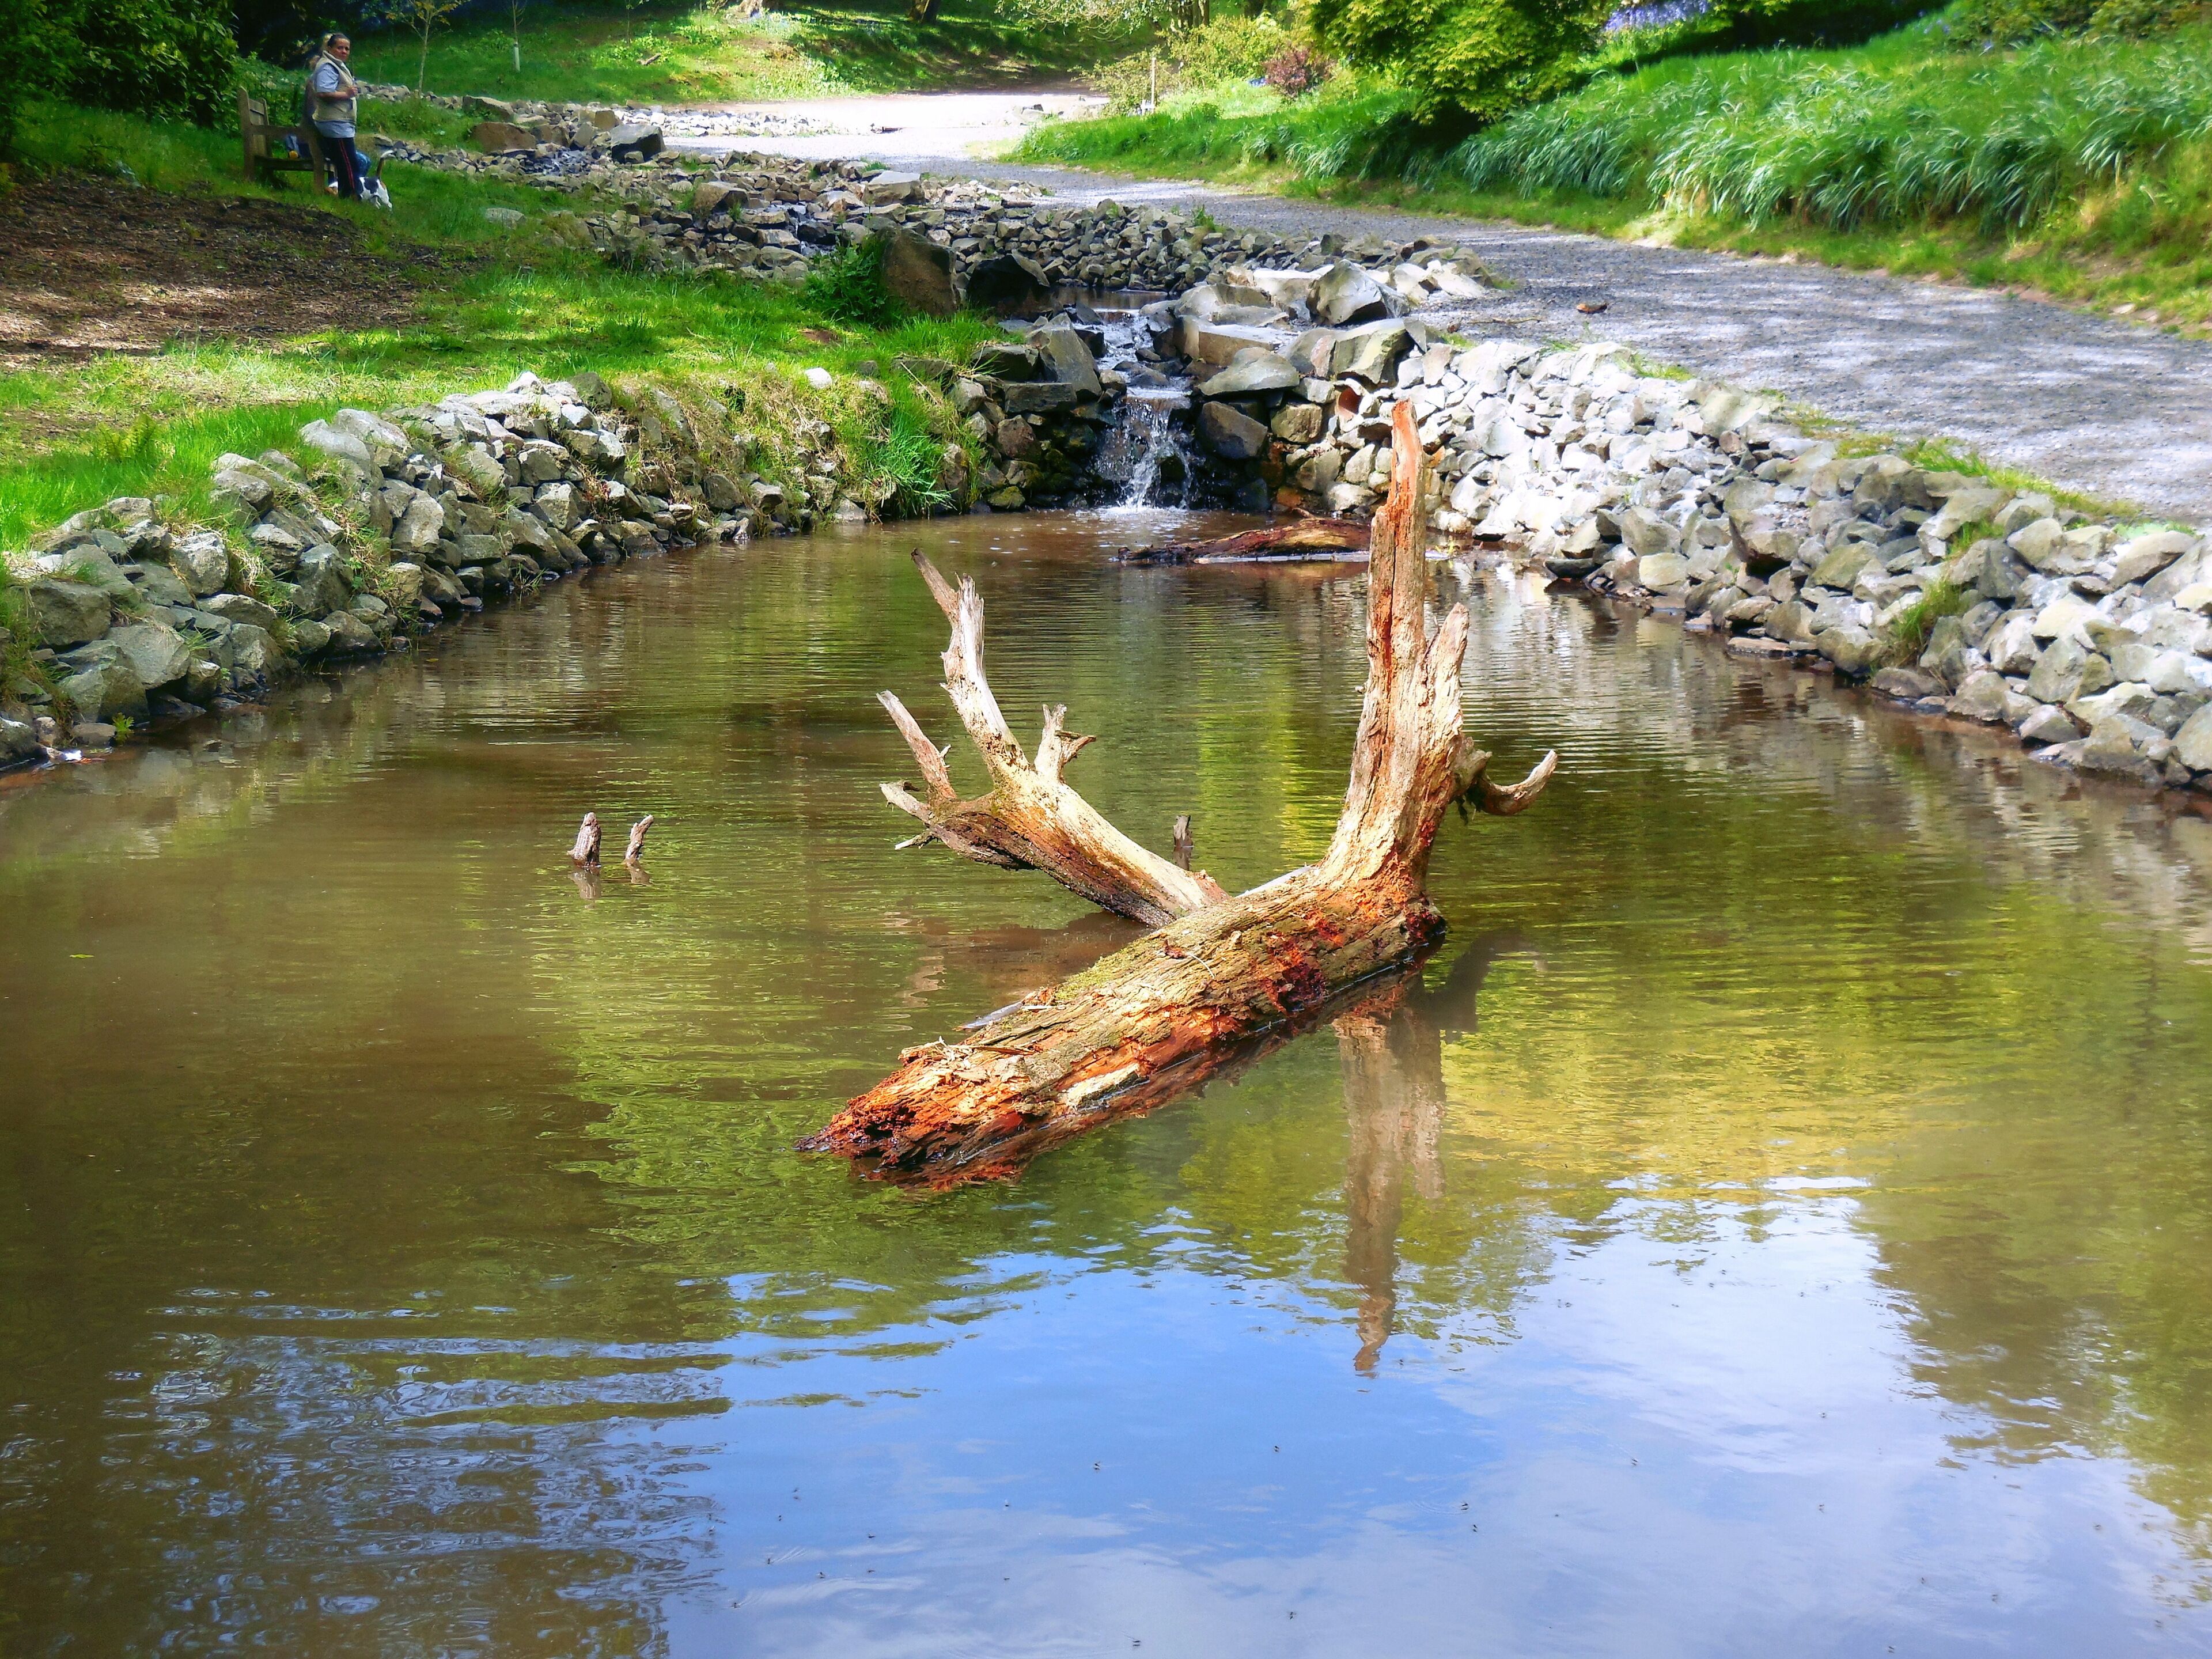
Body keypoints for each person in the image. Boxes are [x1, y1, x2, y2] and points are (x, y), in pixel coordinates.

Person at [305, 33, 368, 200]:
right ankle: (351, 196)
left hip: (341, 121)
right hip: (334, 121)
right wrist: (346, 94)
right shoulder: (327, 67)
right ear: (330, 49)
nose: (344, 51)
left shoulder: (336, 65)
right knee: (347, 162)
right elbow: (324, 92)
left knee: (349, 161)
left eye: (347, 48)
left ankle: (348, 194)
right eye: (340, 48)